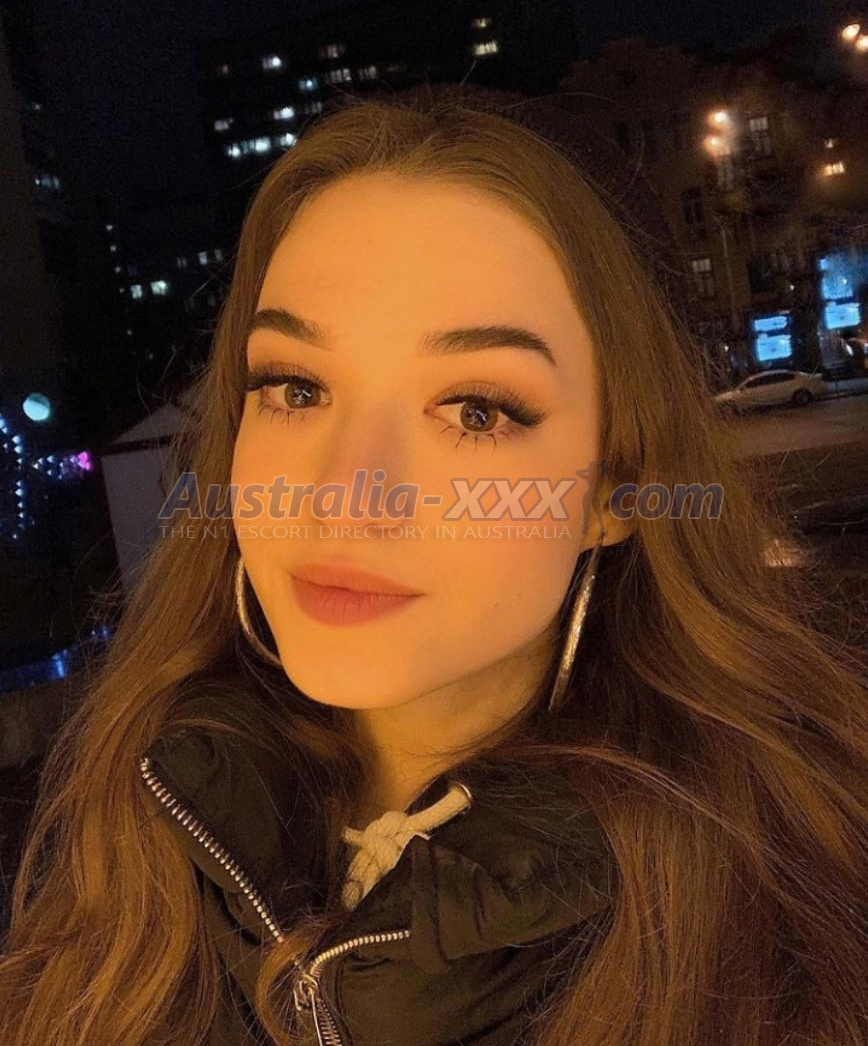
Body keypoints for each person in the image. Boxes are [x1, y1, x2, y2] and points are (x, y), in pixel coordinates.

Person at [0, 83, 865, 1046]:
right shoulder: (125, 824)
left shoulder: (783, 927)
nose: (344, 494)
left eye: (475, 410)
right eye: (295, 387)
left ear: (617, 488)